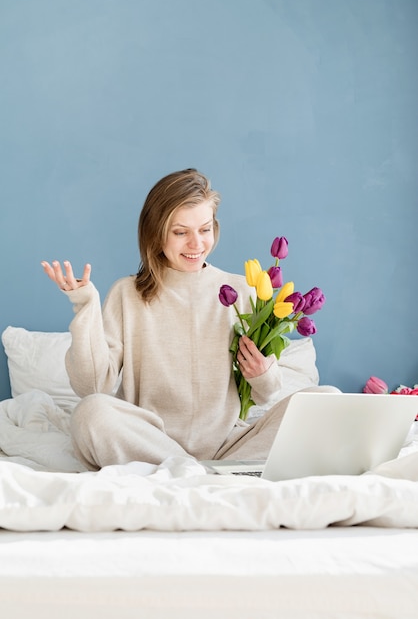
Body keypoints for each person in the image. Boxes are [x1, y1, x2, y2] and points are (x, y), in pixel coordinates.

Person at [41, 168, 334, 470]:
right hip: (151, 442)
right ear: (156, 235)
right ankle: (204, 474)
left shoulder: (243, 291)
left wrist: (262, 374)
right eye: (181, 232)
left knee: (328, 401)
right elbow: (92, 386)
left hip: (229, 446)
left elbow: (266, 395)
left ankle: (196, 473)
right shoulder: (126, 294)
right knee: (91, 413)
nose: (196, 244)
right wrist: (85, 305)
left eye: (204, 230)